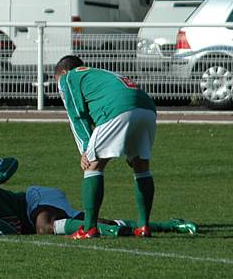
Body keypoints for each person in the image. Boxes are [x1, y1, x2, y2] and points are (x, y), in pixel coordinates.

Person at [0, 158, 197, 237]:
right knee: (103, 221)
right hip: (41, 212)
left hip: (36, 199)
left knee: (43, 227)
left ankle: (103, 233)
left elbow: (10, 162)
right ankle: (171, 225)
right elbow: (11, 235)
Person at [55, 55, 157, 239]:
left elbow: (76, 115)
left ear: (62, 72)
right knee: (141, 165)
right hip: (147, 107)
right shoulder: (99, 74)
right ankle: (143, 226)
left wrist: (85, 149)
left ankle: (89, 229)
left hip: (118, 107)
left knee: (93, 164)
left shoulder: (69, 77)